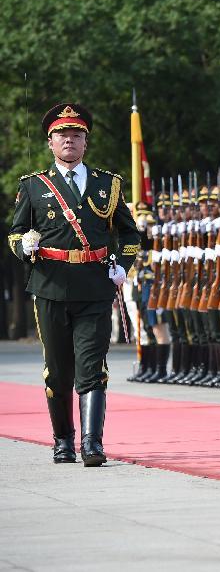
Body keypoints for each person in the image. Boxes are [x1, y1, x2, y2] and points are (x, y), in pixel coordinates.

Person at [9, 103, 141, 466]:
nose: (70, 139)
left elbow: (129, 233)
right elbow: (15, 233)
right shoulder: (34, 185)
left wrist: (122, 265)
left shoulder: (107, 184)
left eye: (77, 135)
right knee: (58, 369)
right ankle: (63, 441)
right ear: (50, 142)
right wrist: (24, 246)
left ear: (86, 142)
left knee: (92, 365)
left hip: (94, 287)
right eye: (62, 135)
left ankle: (92, 443)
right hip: (50, 286)